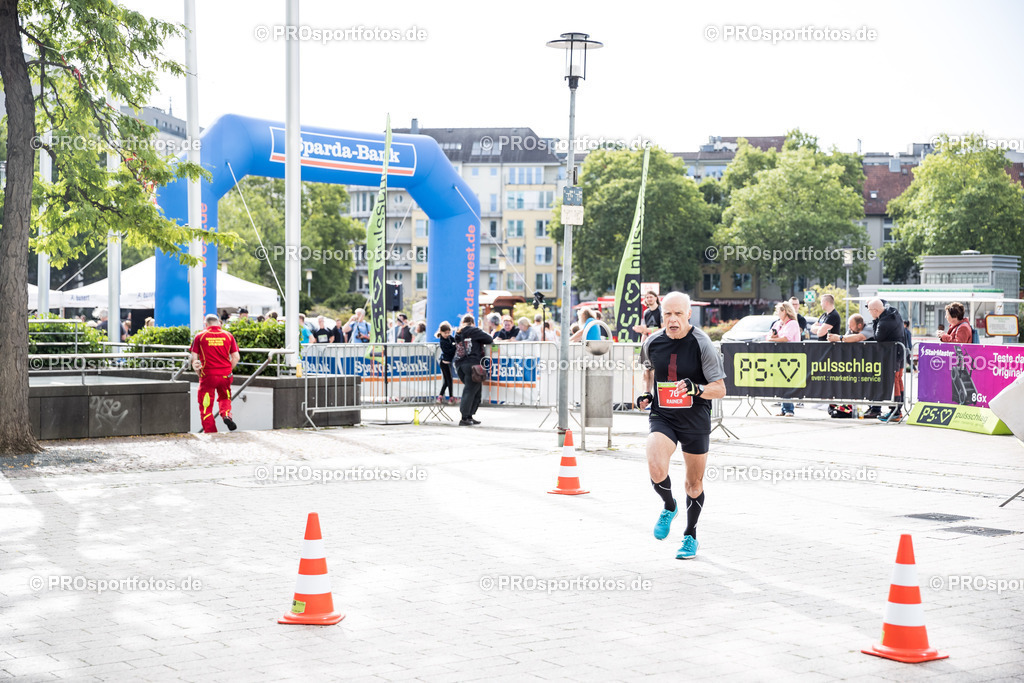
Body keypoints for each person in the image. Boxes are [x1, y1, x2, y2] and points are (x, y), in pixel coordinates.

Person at [636, 292, 727, 560]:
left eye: (678, 314)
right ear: (661, 314)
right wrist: (647, 393)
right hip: (663, 415)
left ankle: (690, 537)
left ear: (689, 314)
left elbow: (720, 389)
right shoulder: (652, 341)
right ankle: (669, 505)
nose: (672, 319)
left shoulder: (702, 344)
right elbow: (649, 370)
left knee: (693, 483)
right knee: (654, 465)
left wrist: (696, 388)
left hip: (695, 418)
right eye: (667, 314)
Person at [189, 313, 240, 433]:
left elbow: (194, 360)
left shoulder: (200, 336)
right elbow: (236, 357)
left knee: (206, 406)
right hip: (225, 376)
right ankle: (226, 415)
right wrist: (228, 370)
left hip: (208, 376)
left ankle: (211, 432)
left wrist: (198, 373)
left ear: (205, 324)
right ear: (218, 323)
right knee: (225, 397)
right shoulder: (228, 336)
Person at [829, 313, 881, 417]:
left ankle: (876, 409)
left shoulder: (869, 328)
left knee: (874, 383)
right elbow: (847, 339)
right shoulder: (851, 330)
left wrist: (839, 337)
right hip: (859, 363)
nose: (849, 328)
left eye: (851, 325)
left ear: (860, 325)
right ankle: (863, 408)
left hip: (873, 362)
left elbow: (857, 338)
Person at [454, 314, 493, 426]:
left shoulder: (458, 332)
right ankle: (464, 418)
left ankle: (469, 416)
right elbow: (489, 339)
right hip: (472, 364)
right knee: (470, 391)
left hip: (460, 365)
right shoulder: (474, 331)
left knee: (475, 390)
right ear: (473, 322)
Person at [766, 301, 801, 416]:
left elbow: (786, 338)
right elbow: (768, 335)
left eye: (778, 311)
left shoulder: (793, 323)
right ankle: (784, 408)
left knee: (787, 381)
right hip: (779, 357)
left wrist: (773, 339)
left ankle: (789, 409)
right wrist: (773, 337)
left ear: (784, 311)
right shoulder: (778, 324)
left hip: (791, 357)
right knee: (781, 382)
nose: (777, 313)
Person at [436, 321, 456, 403]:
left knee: (447, 380)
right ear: (441, 332)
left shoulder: (449, 337)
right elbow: (448, 351)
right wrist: (455, 346)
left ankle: (440, 396)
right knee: (449, 380)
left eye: (448, 332)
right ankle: (451, 397)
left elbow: (455, 340)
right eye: (445, 333)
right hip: (444, 363)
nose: (447, 334)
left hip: (447, 361)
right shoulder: (442, 341)